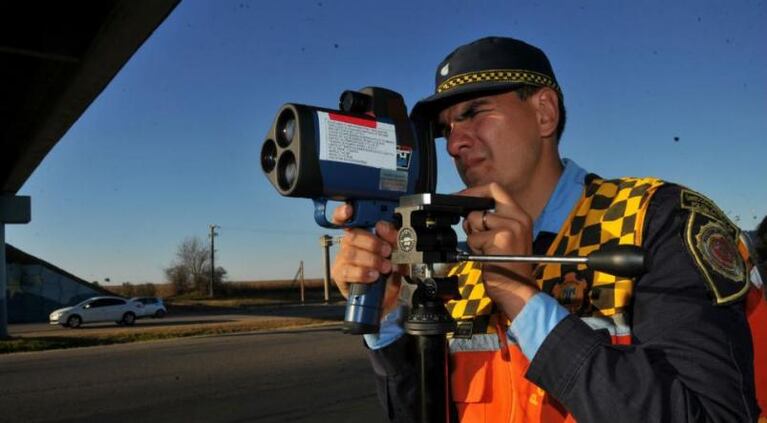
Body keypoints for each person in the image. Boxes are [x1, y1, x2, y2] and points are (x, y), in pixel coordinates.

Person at [331, 37, 767, 422]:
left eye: (474, 113)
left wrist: (522, 298)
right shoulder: (461, 268)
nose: (454, 143)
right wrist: (387, 320)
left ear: (544, 113)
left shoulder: (654, 222)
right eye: (446, 128)